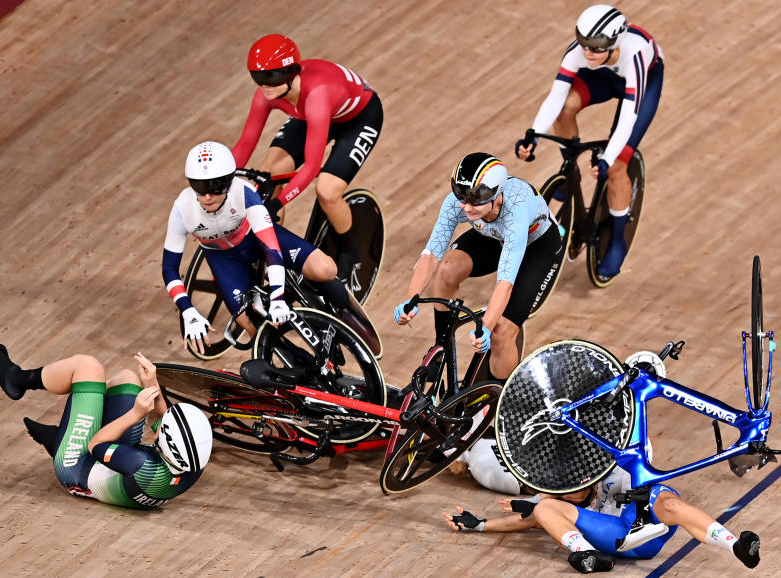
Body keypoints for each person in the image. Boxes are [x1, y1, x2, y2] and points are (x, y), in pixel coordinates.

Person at [515, 4, 664, 280]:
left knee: (619, 164)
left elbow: (627, 120)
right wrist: (533, 134)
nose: (587, 52)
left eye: (596, 47)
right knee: (564, 109)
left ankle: (618, 240)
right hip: (602, 77)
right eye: (584, 44)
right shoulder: (579, 53)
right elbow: (556, 96)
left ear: (615, 41)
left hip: (643, 82)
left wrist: (607, 159)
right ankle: (570, 170)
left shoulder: (635, 55)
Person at [163, 141, 353, 354]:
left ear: (229, 182)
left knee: (326, 270)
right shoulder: (182, 208)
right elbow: (169, 269)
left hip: (255, 240)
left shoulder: (243, 192)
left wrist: (278, 298)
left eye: (215, 187)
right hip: (224, 259)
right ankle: (298, 363)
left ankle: (304, 287)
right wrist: (188, 311)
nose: (207, 196)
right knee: (253, 329)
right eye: (200, 187)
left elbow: (271, 250)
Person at [393, 152, 563, 381]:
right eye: (462, 197)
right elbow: (431, 254)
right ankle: (440, 348)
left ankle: (501, 398)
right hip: (493, 236)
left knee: (502, 333)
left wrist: (486, 327)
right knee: (447, 268)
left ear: (497, 195)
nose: (467, 207)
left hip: (537, 246)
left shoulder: (515, 212)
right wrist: (409, 299)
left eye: (476, 200)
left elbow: (505, 283)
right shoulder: (459, 203)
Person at [232, 33, 383, 280]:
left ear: (291, 73)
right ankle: (271, 251)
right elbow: (244, 145)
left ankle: (350, 254)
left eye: (272, 77)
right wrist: (217, 178)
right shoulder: (267, 94)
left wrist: (278, 203)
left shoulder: (316, 95)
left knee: (327, 190)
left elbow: (311, 167)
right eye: (259, 77)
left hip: (359, 118)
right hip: (312, 116)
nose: (265, 85)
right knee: (266, 176)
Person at [0, 344, 211, 509]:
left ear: (166, 447)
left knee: (87, 367)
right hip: (115, 466)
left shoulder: (142, 465)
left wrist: (135, 414)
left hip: (76, 466)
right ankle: (66, 431)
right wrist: (152, 384)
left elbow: (96, 444)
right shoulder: (192, 462)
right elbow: (164, 419)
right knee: (128, 379)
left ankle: (17, 380)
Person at [442, 465, 760, 574]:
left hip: (643, 528)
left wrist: (644, 493)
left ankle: (737, 547)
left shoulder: (613, 470)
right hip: (614, 537)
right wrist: (480, 524)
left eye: (575, 489)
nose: (570, 495)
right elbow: (528, 520)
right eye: (565, 492)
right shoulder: (556, 499)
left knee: (668, 501)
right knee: (541, 510)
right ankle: (586, 555)